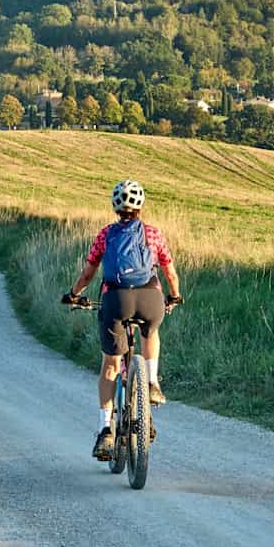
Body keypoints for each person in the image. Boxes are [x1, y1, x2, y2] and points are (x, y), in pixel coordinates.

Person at [62, 179, 182, 461]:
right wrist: (174, 296)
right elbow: (171, 273)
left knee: (110, 364)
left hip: (116, 300)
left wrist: (73, 294)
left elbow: (88, 273)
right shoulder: (153, 234)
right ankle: (151, 383)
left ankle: (105, 430)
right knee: (150, 333)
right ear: (141, 206)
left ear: (115, 206)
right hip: (150, 299)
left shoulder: (106, 235)